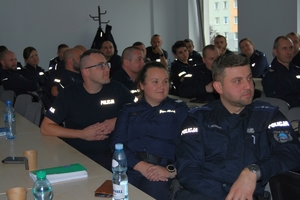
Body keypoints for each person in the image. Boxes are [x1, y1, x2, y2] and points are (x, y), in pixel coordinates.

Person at [175, 54, 300, 200]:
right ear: (218, 87)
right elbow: (188, 170)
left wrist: (254, 171)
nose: (248, 86)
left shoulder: (268, 116)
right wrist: (227, 197)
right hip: (205, 195)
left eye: (249, 78)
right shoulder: (198, 118)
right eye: (237, 81)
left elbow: (291, 153)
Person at [40, 49, 135, 170]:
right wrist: (82, 134)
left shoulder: (117, 89)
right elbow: (46, 127)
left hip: (112, 156)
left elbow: (140, 112)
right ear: (86, 72)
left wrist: (117, 121)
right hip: (76, 156)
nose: (107, 69)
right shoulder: (70, 93)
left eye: (107, 64)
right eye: (101, 66)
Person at [112, 61, 189, 200]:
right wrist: (141, 166)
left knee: (153, 191)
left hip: (162, 171)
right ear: (142, 85)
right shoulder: (128, 110)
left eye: (165, 81)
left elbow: (191, 147)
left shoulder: (179, 109)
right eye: (155, 82)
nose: (162, 87)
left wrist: (170, 171)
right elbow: (117, 144)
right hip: (132, 168)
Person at [262, 36, 300, 108]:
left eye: (291, 48)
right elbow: (279, 101)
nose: (289, 52)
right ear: (276, 52)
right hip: (288, 113)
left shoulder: (297, 70)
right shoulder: (271, 76)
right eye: (284, 49)